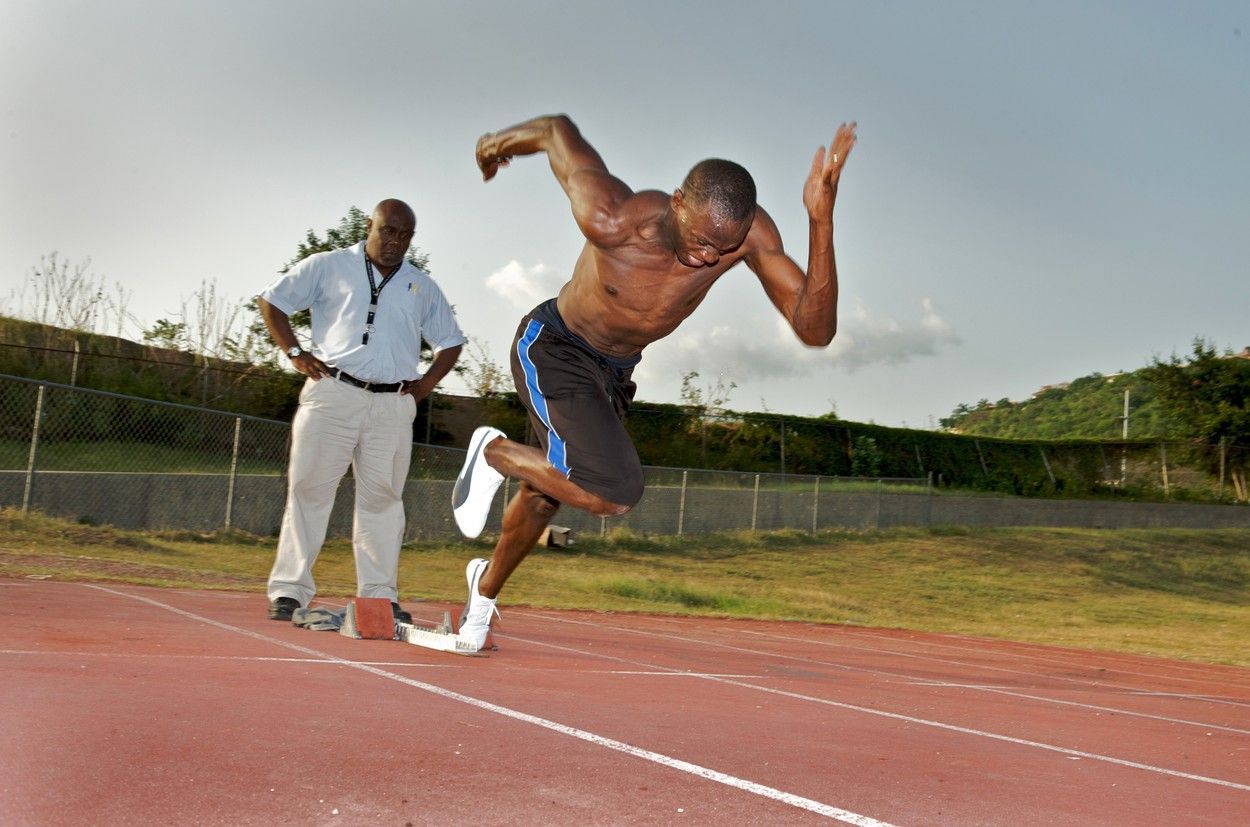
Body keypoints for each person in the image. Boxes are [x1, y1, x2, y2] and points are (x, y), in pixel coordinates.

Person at [451, 114, 856, 651]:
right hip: (555, 346)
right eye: (701, 241)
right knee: (612, 490)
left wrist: (820, 222)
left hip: (614, 375)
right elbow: (555, 131)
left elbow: (815, 330)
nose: (710, 258)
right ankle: (492, 453)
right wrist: (492, 146)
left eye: (723, 249)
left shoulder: (751, 235)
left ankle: (482, 593)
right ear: (678, 203)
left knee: (547, 492)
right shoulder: (612, 217)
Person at [258, 198, 465, 622]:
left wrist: (424, 385)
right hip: (332, 392)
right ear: (369, 225)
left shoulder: (421, 285)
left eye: (405, 235)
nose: (395, 241)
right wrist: (295, 352)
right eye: (388, 230)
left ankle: (379, 596)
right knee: (309, 491)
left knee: (384, 501)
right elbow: (272, 301)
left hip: (392, 405)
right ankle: (290, 592)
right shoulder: (328, 265)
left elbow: (451, 340)